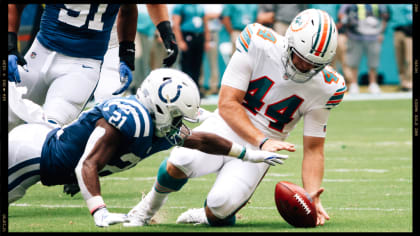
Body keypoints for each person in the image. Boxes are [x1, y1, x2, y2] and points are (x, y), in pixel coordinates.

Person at [124, 9, 345, 227]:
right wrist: (262, 140)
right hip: (229, 125)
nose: (305, 67)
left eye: (314, 64)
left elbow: (314, 149)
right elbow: (228, 104)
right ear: (289, 42)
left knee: (220, 206)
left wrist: (311, 195)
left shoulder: (328, 86)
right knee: (182, 160)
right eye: (301, 57)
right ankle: (148, 207)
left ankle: (209, 213)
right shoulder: (259, 42)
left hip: (263, 147)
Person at [8, 68, 289, 227]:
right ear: (162, 107)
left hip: (47, 161)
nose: (180, 123)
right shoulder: (130, 118)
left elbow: (202, 140)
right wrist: (99, 210)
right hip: (31, 156)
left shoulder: (156, 124)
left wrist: (248, 154)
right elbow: (87, 164)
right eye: (177, 115)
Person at [8, 4, 178, 128]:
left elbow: (128, 10)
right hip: (41, 52)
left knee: (48, 129)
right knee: (9, 113)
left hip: (83, 64)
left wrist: (126, 54)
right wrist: (9, 47)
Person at [338, 4, 389, 94]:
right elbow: (341, 14)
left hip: (373, 37)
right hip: (355, 36)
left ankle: (373, 84)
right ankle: (354, 84)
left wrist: (381, 32)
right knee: (353, 62)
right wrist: (347, 24)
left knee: (373, 62)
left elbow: (385, 16)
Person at [171, 4, 210, 94]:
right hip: (187, 35)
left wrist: (207, 40)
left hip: (199, 36)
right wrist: (180, 41)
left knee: (198, 64)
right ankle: (186, 89)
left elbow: (205, 23)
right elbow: (176, 24)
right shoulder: (181, 6)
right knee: (186, 64)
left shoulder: (199, 7)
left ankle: (196, 89)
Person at [391, 4, 412, 92]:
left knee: (409, 59)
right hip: (397, 30)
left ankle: (410, 82)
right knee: (399, 59)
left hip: (410, 32)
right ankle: (403, 83)